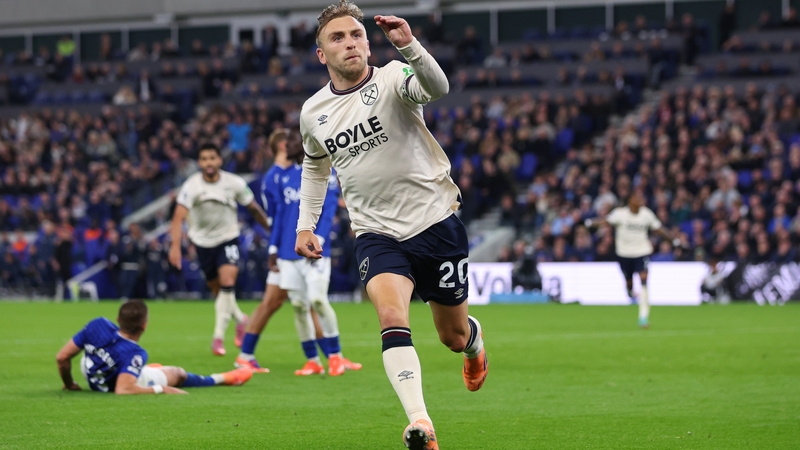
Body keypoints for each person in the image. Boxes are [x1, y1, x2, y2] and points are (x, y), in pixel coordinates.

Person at [294, 3, 487, 448]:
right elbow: (315, 168)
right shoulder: (313, 112)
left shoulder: (394, 79)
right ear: (321, 54)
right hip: (375, 232)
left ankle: (474, 346)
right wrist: (307, 225)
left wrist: (410, 45)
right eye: (338, 38)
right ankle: (421, 422)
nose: (351, 43)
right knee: (390, 316)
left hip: (435, 221)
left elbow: (438, 87)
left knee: (452, 337)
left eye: (356, 35)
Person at [270, 126, 362, 377]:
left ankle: (336, 356)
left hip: (317, 249)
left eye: (290, 140)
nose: (285, 145)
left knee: (319, 300)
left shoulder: (323, 170)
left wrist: (318, 238)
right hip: (289, 251)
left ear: (303, 142)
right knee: (299, 305)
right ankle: (312, 360)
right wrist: (273, 247)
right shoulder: (285, 176)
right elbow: (279, 215)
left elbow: (330, 205)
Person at [235, 128, 327, 373]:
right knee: (275, 302)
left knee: (295, 303)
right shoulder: (274, 177)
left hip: (290, 248)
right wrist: (273, 249)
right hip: (285, 251)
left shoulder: (288, 174)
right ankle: (245, 354)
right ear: (284, 146)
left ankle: (329, 356)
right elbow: (274, 219)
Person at [168, 142, 271, 356]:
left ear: (219, 161)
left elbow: (253, 208)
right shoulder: (191, 186)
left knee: (227, 283)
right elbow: (178, 218)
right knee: (221, 294)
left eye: (212, 158)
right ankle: (241, 319)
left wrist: (272, 229)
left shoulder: (233, 183)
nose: (208, 163)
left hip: (228, 239)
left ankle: (217, 338)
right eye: (204, 159)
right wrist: (175, 247)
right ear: (199, 163)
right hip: (203, 244)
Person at [56, 300, 253, 395]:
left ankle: (149, 372)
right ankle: (221, 379)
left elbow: (62, 358)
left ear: (118, 319)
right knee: (178, 374)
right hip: (114, 381)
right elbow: (123, 390)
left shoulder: (98, 324)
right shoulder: (135, 352)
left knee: (136, 367)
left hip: (90, 371)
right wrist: (162, 389)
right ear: (144, 326)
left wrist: (69, 383)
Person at [585, 190, 678, 328]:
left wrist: (673, 240)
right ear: (630, 201)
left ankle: (643, 317)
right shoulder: (620, 214)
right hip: (624, 253)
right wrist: (590, 222)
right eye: (637, 198)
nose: (640, 201)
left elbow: (658, 229)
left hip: (642, 252)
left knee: (644, 281)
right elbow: (606, 221)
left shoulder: (646, 214)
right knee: (629, 282)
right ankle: (629, 290)